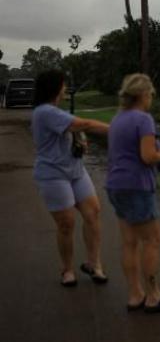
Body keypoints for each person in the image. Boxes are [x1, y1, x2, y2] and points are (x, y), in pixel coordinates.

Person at [105, 74, 160, 313]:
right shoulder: (144, 119)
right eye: (151, 95)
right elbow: (147, 156)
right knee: (152, 240)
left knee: (129, 242)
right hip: (137, 186)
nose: (151, 99)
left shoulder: (118, 119)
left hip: (115, 185)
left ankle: (135, 294)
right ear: (144, 95)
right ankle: (153, 295)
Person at [31, 70, 110, 287]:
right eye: (64, 85)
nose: (66, 89)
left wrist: (78, 142)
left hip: (75, 170)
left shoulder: (55, 111)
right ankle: (67, 270)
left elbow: (73, 130)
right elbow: (84, 124)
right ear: (56, 88)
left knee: (92, 212)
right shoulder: (44, 112)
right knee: (66, 223)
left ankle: (95, 264)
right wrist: (117, 130)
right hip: (53, 174)